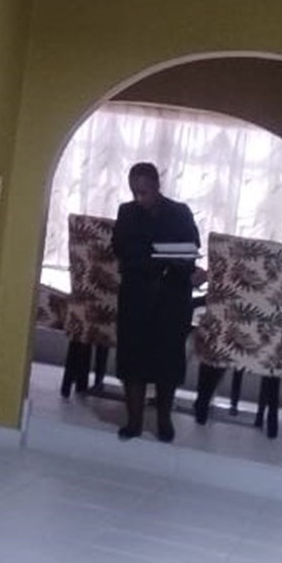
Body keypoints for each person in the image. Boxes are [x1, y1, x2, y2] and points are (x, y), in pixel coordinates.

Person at [110, 161, 202, 442]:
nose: (139, 198)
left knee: (167, 359)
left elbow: (191, 248)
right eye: (134, 192)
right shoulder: (127, 212)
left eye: (144, 192)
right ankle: (134, 421)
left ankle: (164, 420)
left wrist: (159, 255)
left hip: (172, 293)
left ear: (157, 186)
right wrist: (159, 254)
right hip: (136, 293)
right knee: (132, 358)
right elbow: (122, 249)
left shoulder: (180, 212)